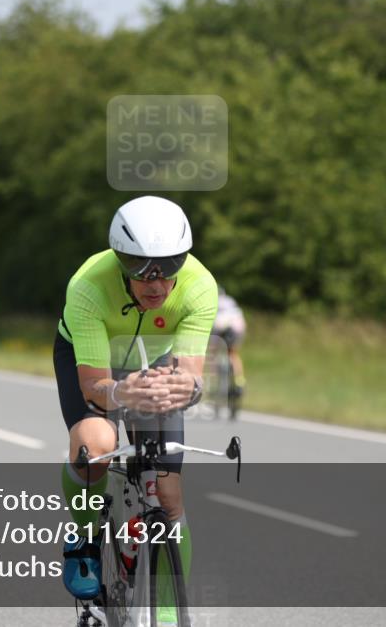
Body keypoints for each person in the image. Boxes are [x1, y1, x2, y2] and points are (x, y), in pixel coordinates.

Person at [54, 196, 217, 612]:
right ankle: (86, 538)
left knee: (168, 493)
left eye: (169, 266)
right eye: (141, 268)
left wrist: (183, 388)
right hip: (93, 363)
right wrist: (122, 394)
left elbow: (191, 374)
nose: (156, 283)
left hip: (154, 361)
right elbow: (93, 386)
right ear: (120, 259)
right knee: (95, 444)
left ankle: (168, 613)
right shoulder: (89, 285)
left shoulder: (200, 287)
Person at [212, 285, 247, 414]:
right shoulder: (230, 300)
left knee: (214, 352)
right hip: (238, 326)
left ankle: (216, 379)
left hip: (222, 326)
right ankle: (239, 380)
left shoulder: (213, 301)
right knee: (233, 353)